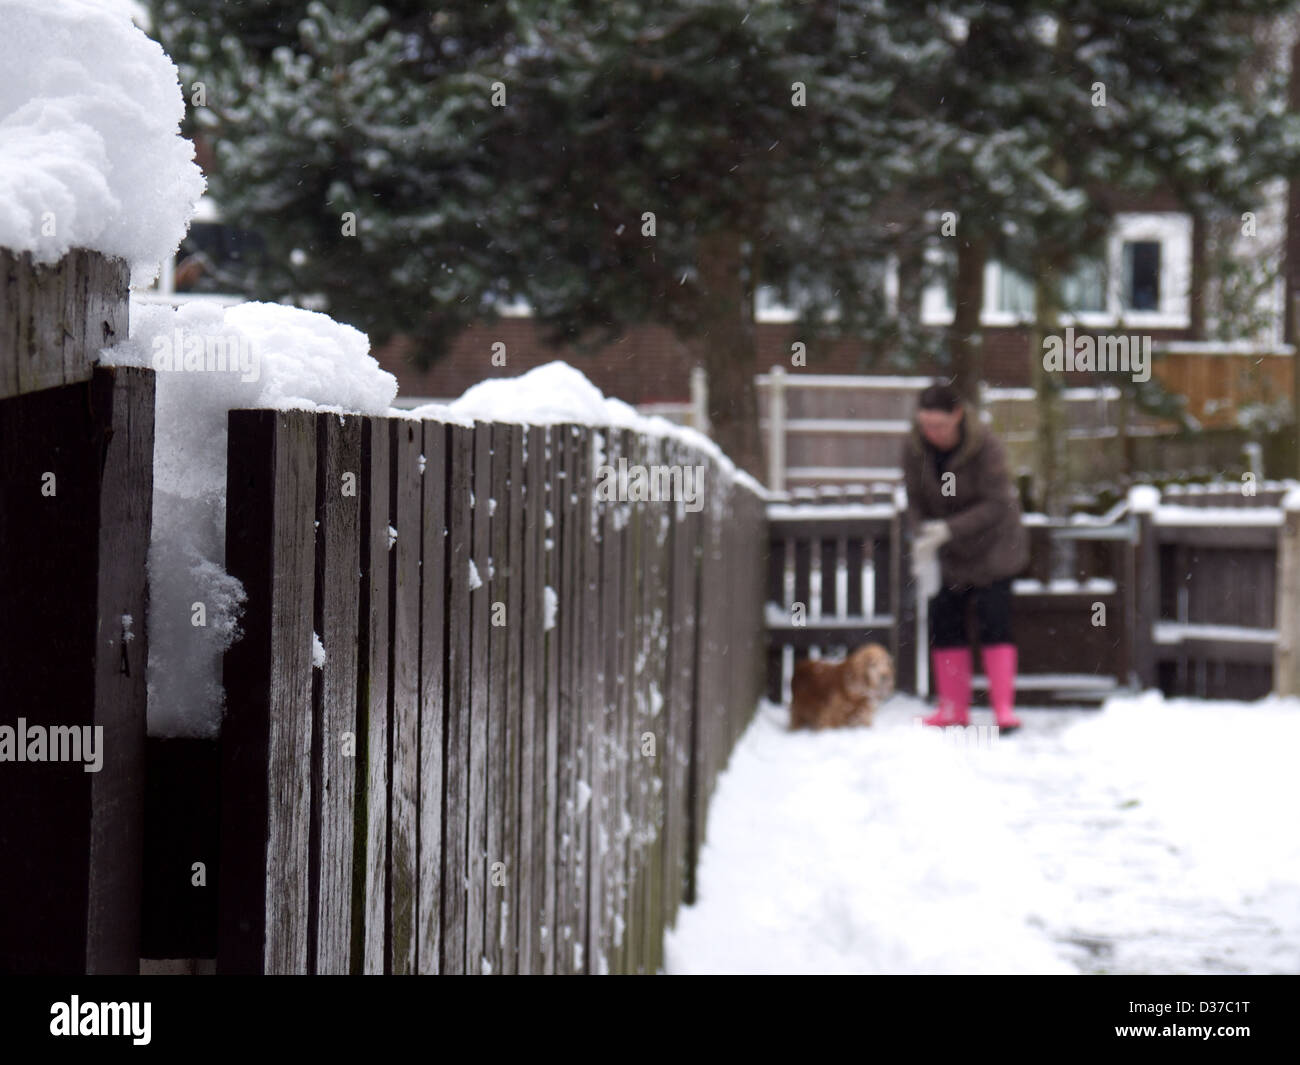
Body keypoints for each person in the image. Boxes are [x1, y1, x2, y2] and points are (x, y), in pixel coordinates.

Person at [902, 383, 1029, 732]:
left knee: (994, 620)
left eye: (939, 425)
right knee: (945, 620)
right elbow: (913, 498)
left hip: (994, 547)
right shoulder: (915, 448)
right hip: (949, 552)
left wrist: (949, 528)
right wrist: (921, 533)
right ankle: (952, 709)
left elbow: (996, 503)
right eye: (926, 424)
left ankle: (1003, 710)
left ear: (957, 415)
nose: (932, 432)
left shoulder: (986, 446)